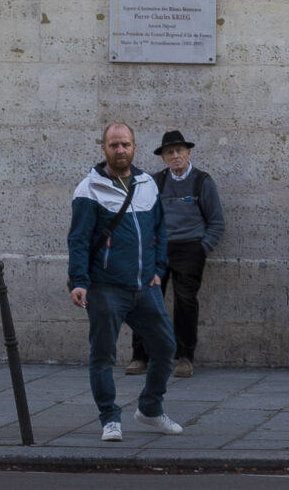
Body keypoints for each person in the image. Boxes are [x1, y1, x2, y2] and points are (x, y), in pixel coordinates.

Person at [66, 122, 182, 443]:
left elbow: (160, 230)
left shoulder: (147, 183)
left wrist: (158, 267)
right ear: (103, 148)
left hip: (145, 287)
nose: (120, 150)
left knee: (165, 348)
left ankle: (150, 408)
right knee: (103, 355)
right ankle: (110, 418)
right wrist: (79, 281)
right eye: (114, 145)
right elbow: (78, 240)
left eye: (125, 145)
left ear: (134, 147)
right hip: (105, 287)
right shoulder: (88, 189)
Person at [127, 131, 222, 380]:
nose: (176, 155)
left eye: (180, 150)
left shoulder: (203, 181)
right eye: (170, 152)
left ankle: (184, 358)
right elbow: (144, 217)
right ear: (164, 158)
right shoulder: (155, 182)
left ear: (189, 153)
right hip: (159, 247)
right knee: (146, 299)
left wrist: (203, 248)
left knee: (185, 301)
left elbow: (216, 222)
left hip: (190, 248)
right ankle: (141, 356)